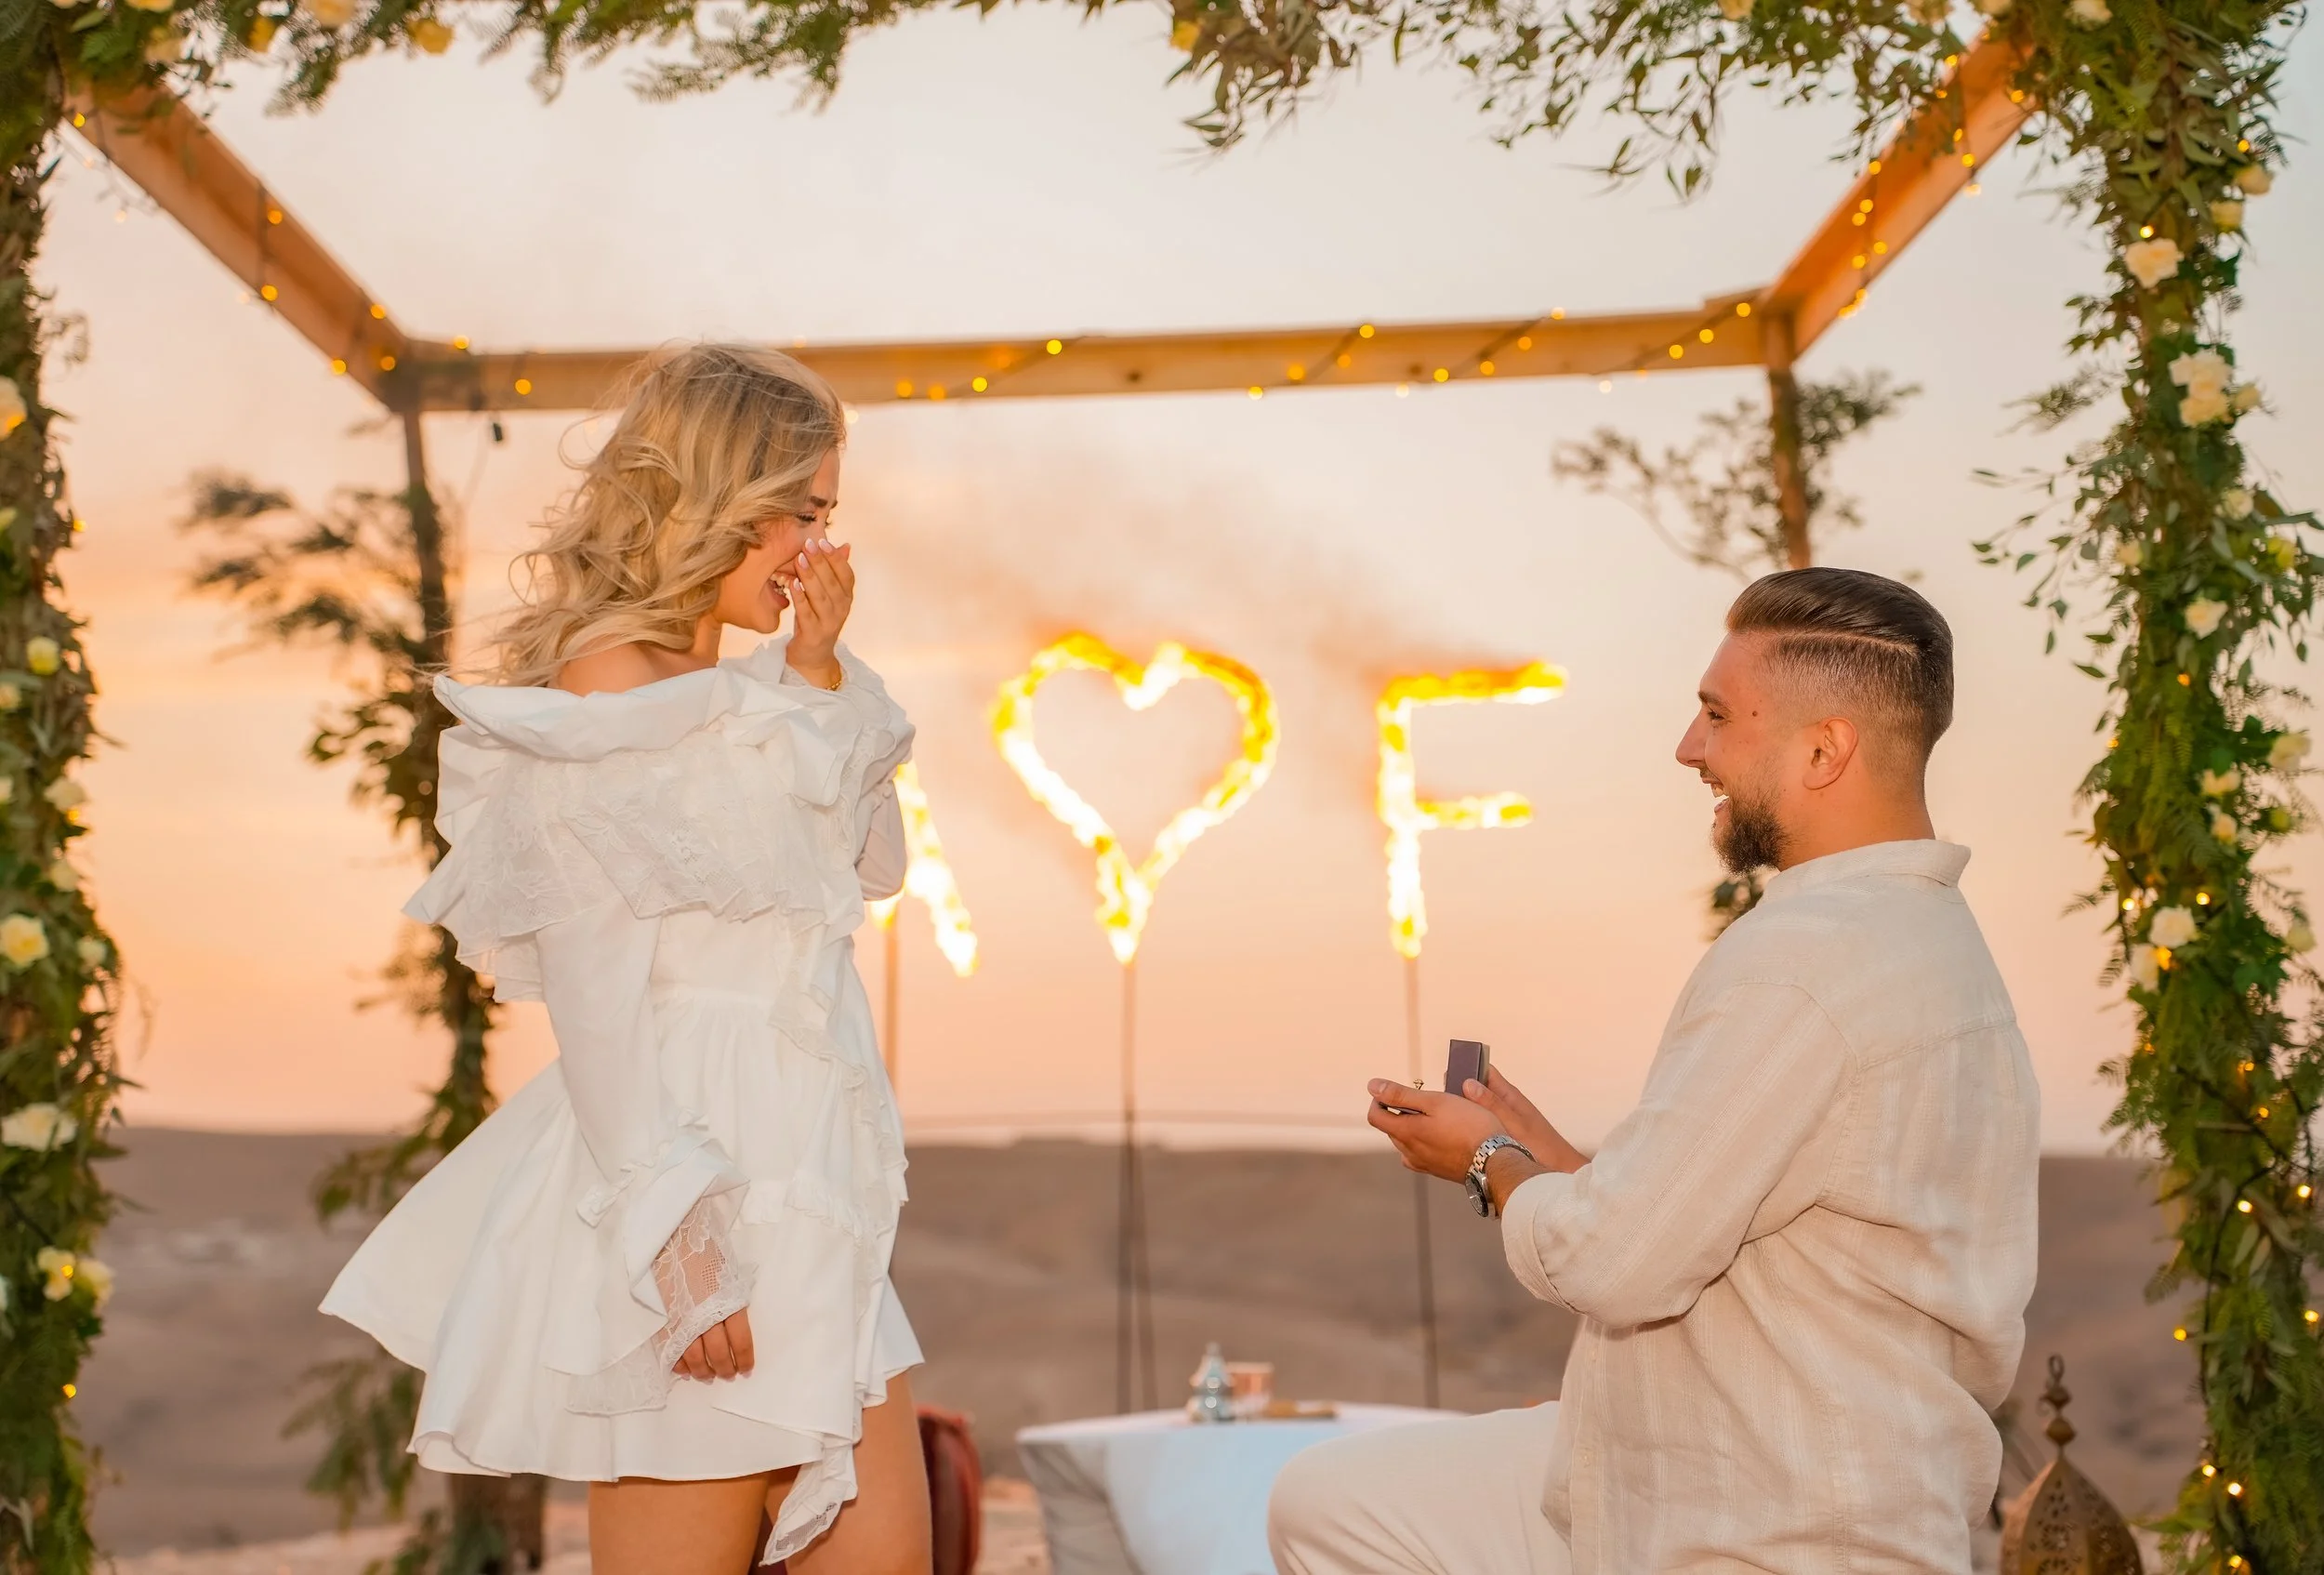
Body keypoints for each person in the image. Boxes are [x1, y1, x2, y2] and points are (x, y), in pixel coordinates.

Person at [1271, 567, 2040, 1574]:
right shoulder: (1929, 942)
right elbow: (1713, 1212)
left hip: (1767, 1522)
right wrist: (1554, 1161)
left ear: (1825, 748)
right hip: (1758, 1475)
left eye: (1716, 715)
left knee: (1329, 1507)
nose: (1688, 747)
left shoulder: (1804, 958)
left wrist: (1488, 1162)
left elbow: (1616, 1264)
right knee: (1334, 1502)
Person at [321, 344, 932, 1575]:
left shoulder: (758, 691)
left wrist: (816, 679)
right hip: (696, 1201)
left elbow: (875, 865)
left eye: (828, 516)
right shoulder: (606, 683)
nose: (819, 548)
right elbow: (598, 1002)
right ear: (719, 494)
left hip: (812, 1196)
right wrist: (683, 1246)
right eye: (801, 513)